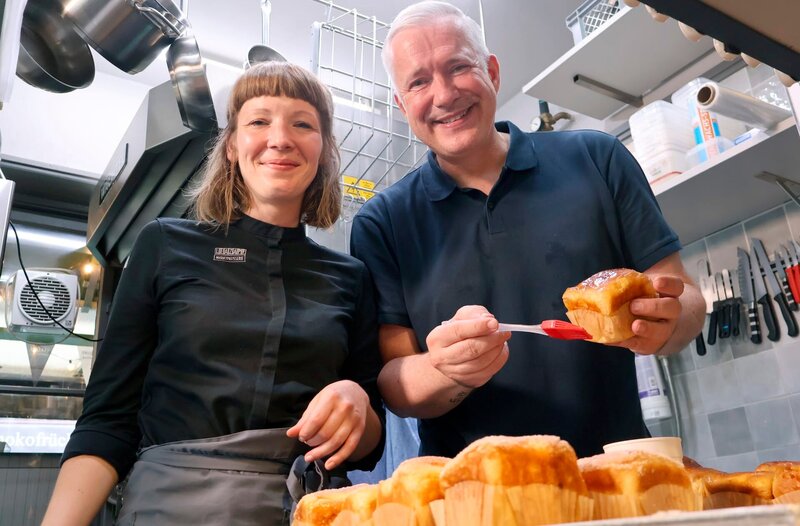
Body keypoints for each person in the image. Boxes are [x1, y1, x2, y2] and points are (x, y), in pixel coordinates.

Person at [349, 1, 705, 460]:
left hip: (614, 473)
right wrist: (446, 371)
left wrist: (669, 323)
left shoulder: (599, 159)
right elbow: (395, 381)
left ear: (492, 72)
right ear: (402, 104)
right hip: (474, 491)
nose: (443, 94)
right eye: (418, 81)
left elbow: (689, 302)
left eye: (458, 67)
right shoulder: (382, 223)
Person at [42, 62, 384, 526]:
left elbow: (368, 447)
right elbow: (109, 419)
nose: (280, 138)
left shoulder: (351, 277)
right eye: (259, 121)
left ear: (323, 151)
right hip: (171, 507)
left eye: (302, 124)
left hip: (311, 510)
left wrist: (359, 404)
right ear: (230, 147)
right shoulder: (164, 244)